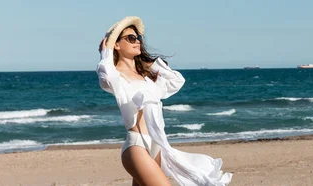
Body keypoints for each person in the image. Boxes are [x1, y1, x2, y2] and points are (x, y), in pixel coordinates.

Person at [96, 16, 232, 186]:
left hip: (157, 146)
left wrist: (151, 65)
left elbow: (176, 81)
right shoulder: (118, 78)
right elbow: (106, 76)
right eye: (131, 38)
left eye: (138, 38)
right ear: (116, 44)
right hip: (137, 146)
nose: (137, 41)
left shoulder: (146, 78)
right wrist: (106, 52)